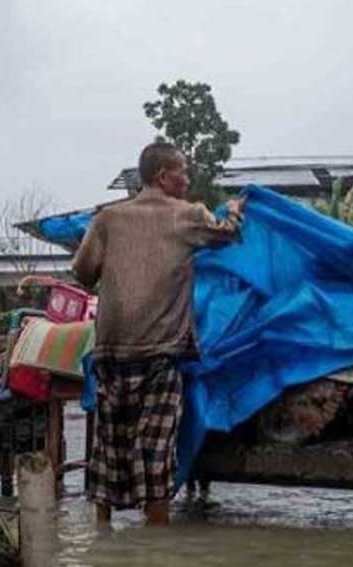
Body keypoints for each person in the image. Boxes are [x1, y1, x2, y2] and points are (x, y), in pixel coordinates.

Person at [72, 142, 244, 525]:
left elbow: (82, 273)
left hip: (111, 351)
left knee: (109, 447)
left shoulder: (107, 218)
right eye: (183, 171)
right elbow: (228, 234)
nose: (187, 179)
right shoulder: (188, 215)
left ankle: (103, 539)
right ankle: (155, 545)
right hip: (159, 353)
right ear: (163, 176)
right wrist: (234, 209)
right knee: (154, 453)